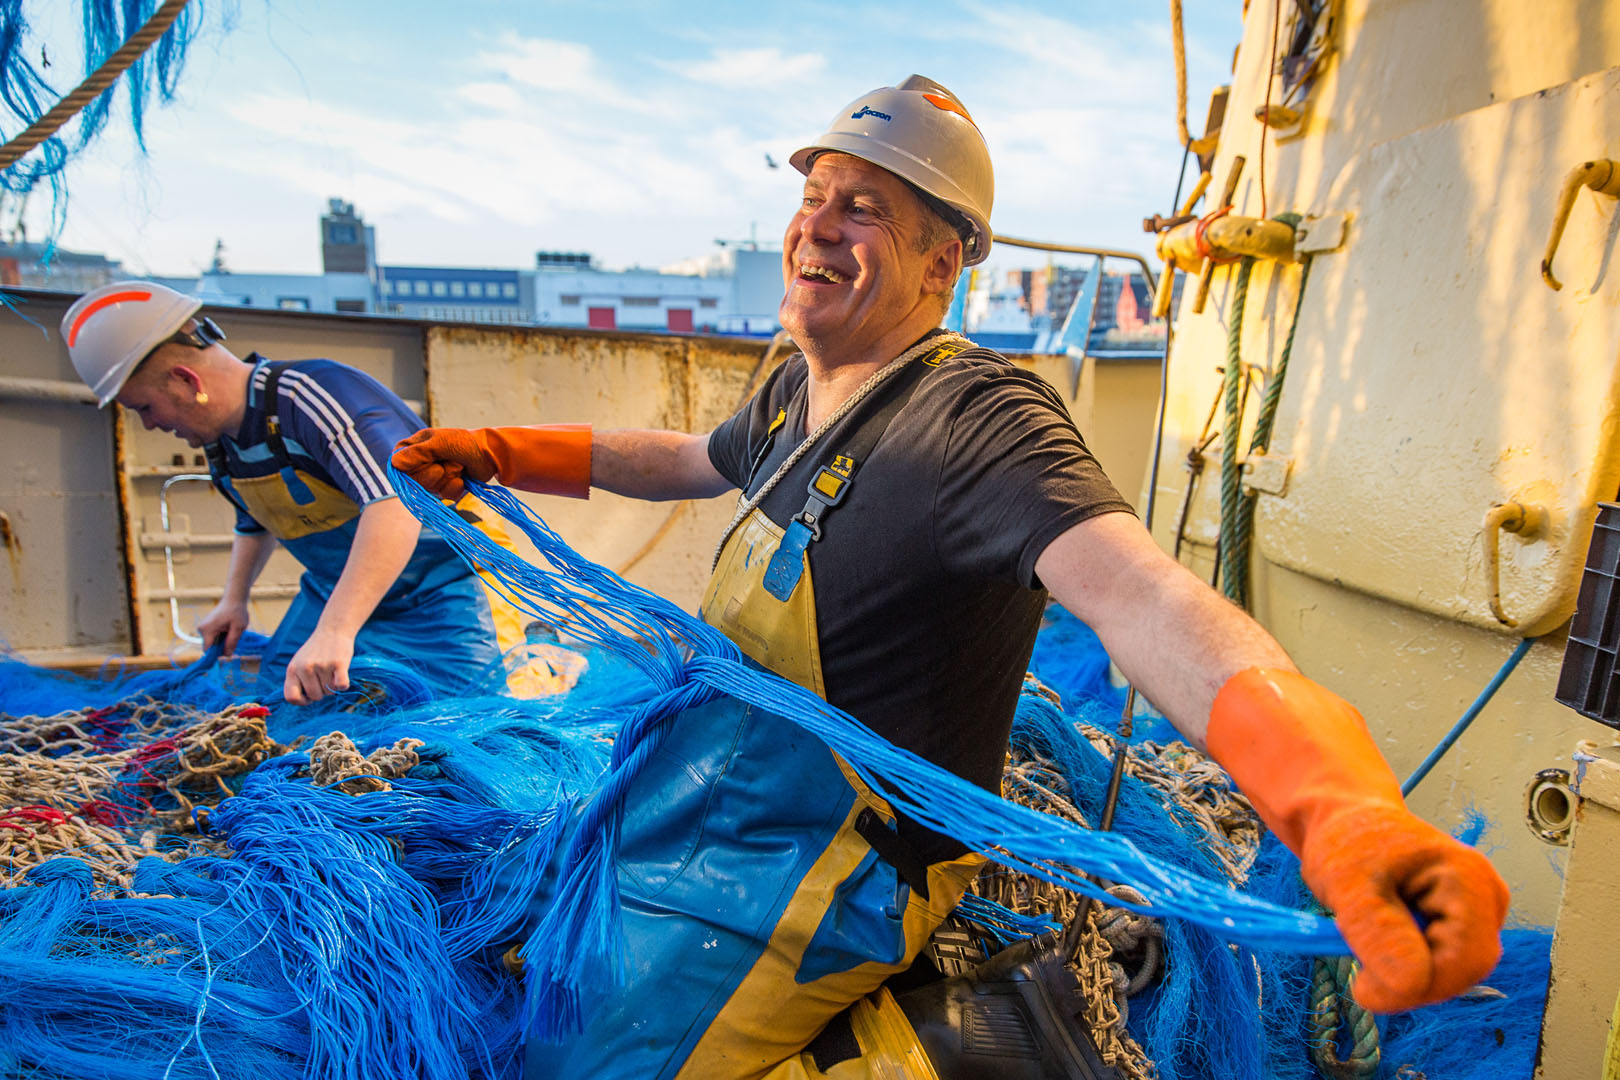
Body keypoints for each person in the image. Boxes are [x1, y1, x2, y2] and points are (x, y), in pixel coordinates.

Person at [395, 76, 1508, 1079]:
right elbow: (689, 459)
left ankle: (975, 1044)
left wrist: (1341, 809)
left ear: (943, 263)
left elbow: (1146, 602)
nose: (816, 228)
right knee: (541, 969)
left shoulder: (980, 421)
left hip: (834, 870)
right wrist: (506, 451)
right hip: (714, 796)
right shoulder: (801, 390)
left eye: (865, 208)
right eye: (815, 195)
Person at [62, 281, 515, 704]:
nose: (150, 424)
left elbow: (395, 504)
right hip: (334, 591)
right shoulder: (221, 440)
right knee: (279, 712)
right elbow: (256, 519)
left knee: (461, 722)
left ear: (186, 381)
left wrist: (336, 630)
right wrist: (233, 600)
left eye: (144, 407)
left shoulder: (311, 396)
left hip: (444, 592)